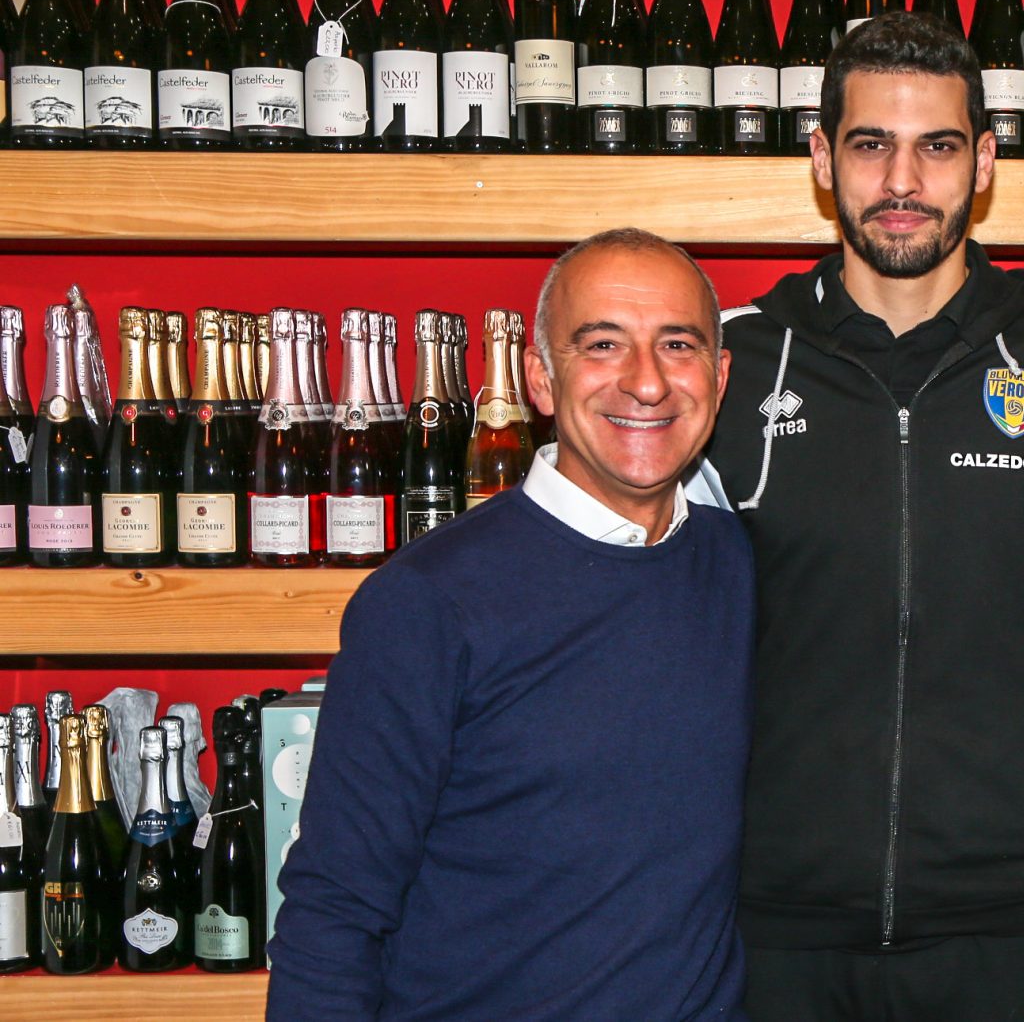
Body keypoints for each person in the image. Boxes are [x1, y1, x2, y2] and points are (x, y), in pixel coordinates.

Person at [690, 12, 1024, 1019]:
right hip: (775, 927)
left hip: (1007, 927)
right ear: (823, 159)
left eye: (937, 146)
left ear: (983, 162)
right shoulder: (730, 362)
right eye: (871, 144)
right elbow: (666, 617)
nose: (903, 181)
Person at [268, 230, 751, 1020]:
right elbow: (336, 908)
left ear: (719, 377)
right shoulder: (426, 601)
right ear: (540, 379)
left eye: (678, 344)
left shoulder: (739, 566)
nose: (647, 381)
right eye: (603, 344)